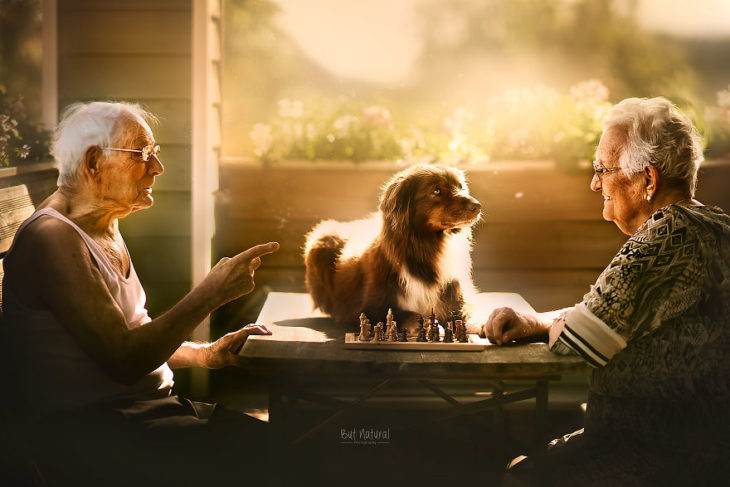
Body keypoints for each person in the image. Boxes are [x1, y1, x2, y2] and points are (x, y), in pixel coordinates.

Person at [0, 101, 280, 486]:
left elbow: (132, 335)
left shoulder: (102, 222)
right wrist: (210, 294)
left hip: (143, 415)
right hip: (96, 436)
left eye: (156, 154)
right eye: (143, 154)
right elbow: (124, 359)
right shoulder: (54, 239)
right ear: (94, 162)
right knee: (286, 457)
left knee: (286, 445)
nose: (158, 168)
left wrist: (204, 355)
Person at [484, 97, 730, 486]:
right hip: (697, 443)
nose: (594, 182)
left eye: (603, 168)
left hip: (659, 451)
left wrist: (551, 324)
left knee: (520, 477)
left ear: (648, 180)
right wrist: (536, 321)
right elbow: (612, 313)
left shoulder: (669, 233)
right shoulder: (711, 224)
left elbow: (580, 337)